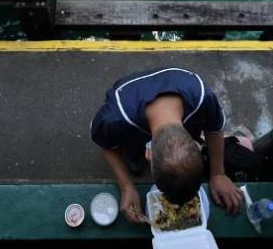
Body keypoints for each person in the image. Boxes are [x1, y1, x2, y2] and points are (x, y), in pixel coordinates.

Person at [90, 68, 245, 224]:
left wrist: (218, 174)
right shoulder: (114, 119)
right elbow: (106, 144)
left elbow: (214, 129)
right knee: (132, 159)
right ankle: (134, 158)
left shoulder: (202, 97)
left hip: (169, 89)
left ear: (195, 142)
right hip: (130, 102)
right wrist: (126, 186)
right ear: (148, 154)